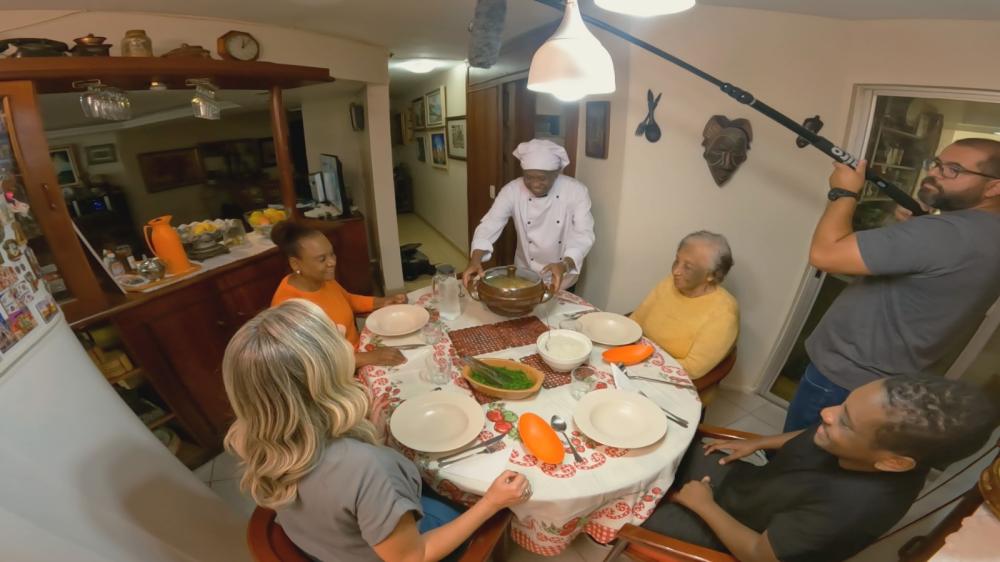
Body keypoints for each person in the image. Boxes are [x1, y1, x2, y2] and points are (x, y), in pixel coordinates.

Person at [222, 299, 531, 562]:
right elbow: (414, 557)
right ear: (324, 375)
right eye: (331, 334)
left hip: (327, 545)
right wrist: (491, 503)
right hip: (394, 552)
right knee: (470, 502)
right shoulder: (367, 468)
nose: (342, 328)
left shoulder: (248, 436)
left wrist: (371, 441)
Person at [642, 375, 997, 562]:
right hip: (744, 487)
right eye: (843, 405)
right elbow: (811, 434)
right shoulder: (855, 434)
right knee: (668, 445)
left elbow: (760, 555)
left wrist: (703, 505)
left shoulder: (851, 510)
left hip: (735, 532)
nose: (827, 413)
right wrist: (760, 442)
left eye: (846, 422)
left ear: (893, 462)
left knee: (627, 508)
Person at [787, 138, 1000, 431]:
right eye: (936, 163)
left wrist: (844, 192)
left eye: (953, 170)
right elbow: (930, 272)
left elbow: (825, 255)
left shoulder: (945, 233)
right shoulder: (985, 233)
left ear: (994, 187)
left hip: (843, 376)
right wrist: (916, 226)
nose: (934, 173)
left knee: (799, 450)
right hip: (888, 379)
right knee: (828, 451)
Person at [462, 139, 595, 292]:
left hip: (562, 275)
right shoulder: (512, 190)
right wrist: (475, 259)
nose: (535, 184)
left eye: (542, 178)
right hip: (524, 274)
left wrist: (565, 265)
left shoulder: (576, 191)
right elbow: (490, 224)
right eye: (528, 177)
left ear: (556, 173)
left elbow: (583, 234)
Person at [270, 221, 407, 368]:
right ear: (295, 264)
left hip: (358, 352)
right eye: (322, 259)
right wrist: (369, 357)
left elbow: (347, 300)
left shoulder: (322, 279)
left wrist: (383, 302)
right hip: (339, 370)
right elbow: (313, 363)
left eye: (332, 254)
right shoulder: (288, 308)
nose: (332, 262)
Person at [630, 231, 738, 402]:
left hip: (674, 383)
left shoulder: (724, 313)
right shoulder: (670, 283)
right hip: (637, 361)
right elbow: (636, 320)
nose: (676, 271)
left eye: (688, 267)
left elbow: (693, 369)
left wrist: (640, 366)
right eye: (676, 261)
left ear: (711, 275)